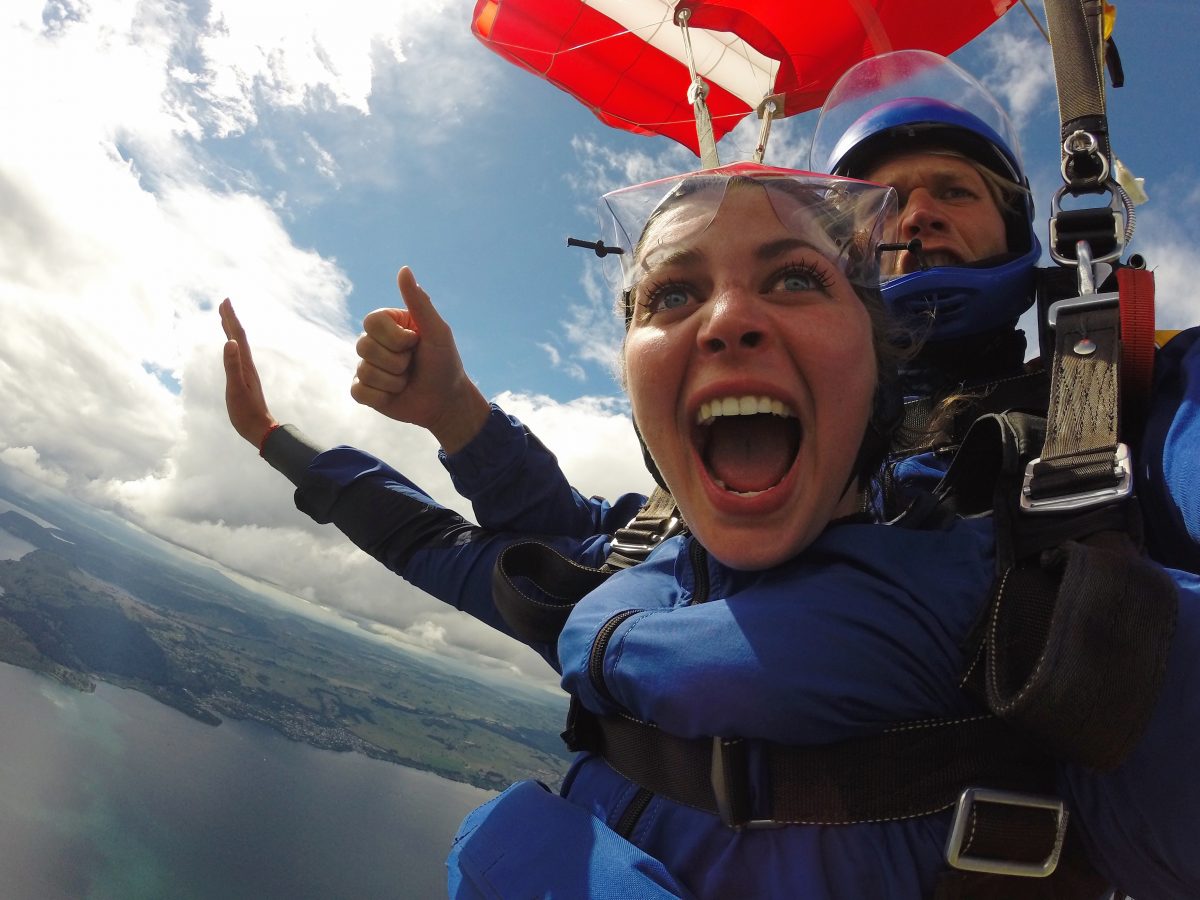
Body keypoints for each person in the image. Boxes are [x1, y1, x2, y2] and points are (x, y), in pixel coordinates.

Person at [223, 164, 1200, 898]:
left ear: (874, 369)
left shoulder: (1016, 609)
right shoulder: (641, 567)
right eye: (673, 295)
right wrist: (293, 440)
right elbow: (467, 550)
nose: (730, 319)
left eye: (797, 281)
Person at [345, 51, 1197, 575]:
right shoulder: (783, 421)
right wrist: (456, 413)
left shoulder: (1119, 410)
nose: (919, 214)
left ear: (1017, 230)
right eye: (890, 201)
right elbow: (595, 557)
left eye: (954, 192)